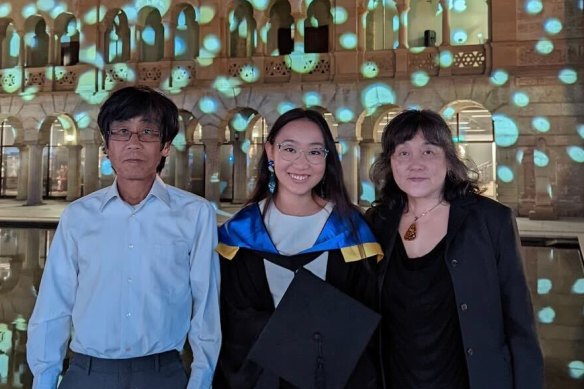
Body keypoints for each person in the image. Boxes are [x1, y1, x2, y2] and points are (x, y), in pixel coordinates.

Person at [27, 86, 221, 389]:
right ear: (106, 145)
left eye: (147, 132)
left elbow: (206, 308)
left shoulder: (195, 215)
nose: (134, 143)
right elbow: (53, 308)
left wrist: (200, 380)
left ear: (166, 146)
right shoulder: (79, 217)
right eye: (121, 132)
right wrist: (44, 379)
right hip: (87, 374)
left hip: (163, 374)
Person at [366, 109, 544, 389]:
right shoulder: (377, 223)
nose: (415, 164)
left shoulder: (490, 221)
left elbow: (519, 323)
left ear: (449, 161)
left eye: (428, 151)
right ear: (390, 163)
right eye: (403, 152)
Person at [213, 108, 383, 388]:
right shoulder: (239, 234)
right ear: (270, 152)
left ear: (327, 158)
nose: (301, 163)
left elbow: (363, 327)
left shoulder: (351, 232)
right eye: (289, 149)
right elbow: (232, 325)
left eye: (315, 152)